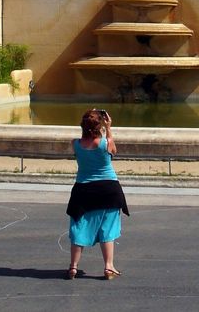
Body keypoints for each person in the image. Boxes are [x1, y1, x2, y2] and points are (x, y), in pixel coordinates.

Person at [65, 108, 129, 280]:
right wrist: (109, 128)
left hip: (83, 189)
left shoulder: (75, 144)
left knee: (79, 226)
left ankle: (73, 266)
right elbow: (114, 151)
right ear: (100, 125)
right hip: (108, 189)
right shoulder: (106, 143)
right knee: (108, 228)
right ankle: (108, 267)